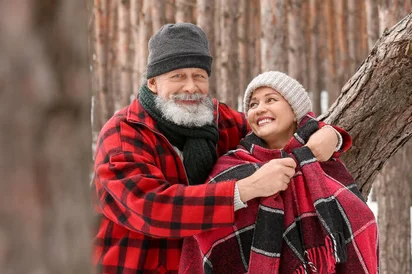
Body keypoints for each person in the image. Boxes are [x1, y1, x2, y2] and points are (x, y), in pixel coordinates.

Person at [92, 23, 349, 273]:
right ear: (153, 83)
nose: (191, 87)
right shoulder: (123, 134)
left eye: (199, 76)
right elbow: (150, 208)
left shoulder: (218, 120)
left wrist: (330, 134)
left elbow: (275, 128)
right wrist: (245, 189)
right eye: (177, 76)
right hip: (133, 264)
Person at [180, 71, 378, 274]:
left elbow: (361, 223)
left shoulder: (322, 158)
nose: (260, 109)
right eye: (253, 104)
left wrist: (333, 135)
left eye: (271, 100)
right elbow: (203, 229)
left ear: (294, 111)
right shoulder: (232, 165)